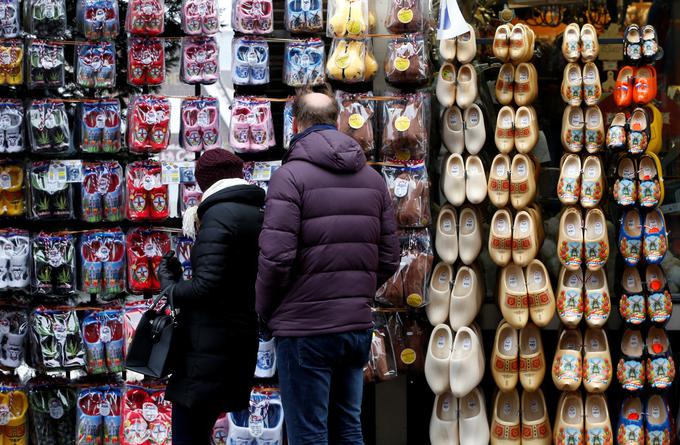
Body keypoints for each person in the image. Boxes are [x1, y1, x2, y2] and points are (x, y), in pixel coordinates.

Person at [256, 85, 400, 445]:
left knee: (309, 433)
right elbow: (389, 258)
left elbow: (276, 259)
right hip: (354, 326)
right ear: (336, 122)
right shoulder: (372, 179)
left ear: (295, 124)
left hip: (305, 327)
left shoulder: (289, 178)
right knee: (349, 426)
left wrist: (264, 312)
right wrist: (356, 294)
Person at [158, 149, 265, 445]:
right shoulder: (254, 212)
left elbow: (207, 287)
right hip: (235, 339)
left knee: (188, 434)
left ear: (205, 181)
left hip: (207, 347)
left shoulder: (218, 216)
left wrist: (170, 286)